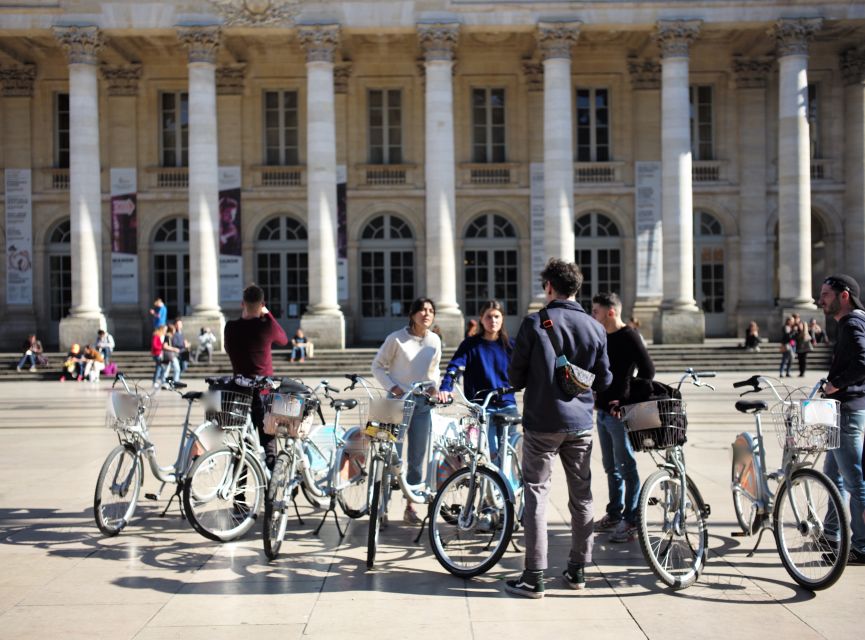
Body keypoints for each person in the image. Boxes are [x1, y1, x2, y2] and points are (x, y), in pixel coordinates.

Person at [505, 258, 612, 598]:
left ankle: (534, 575)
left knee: (537, 494)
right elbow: (605, 378)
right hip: (580, 422)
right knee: (582, 497)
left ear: (548, 287)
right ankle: (578, 570)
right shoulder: (596, 327)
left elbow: (515, 376)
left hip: (542, 422)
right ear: (576, 289)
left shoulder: (535, 323)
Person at [590, 292, 655, 544]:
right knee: (610, 467)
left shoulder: (629, 335)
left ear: (611, 312)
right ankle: (614, 513)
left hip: (619, 413)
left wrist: (627, 400)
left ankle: (631, 520)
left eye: (595, 311)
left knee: (626, 466)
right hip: (603, 412)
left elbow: (648, 371)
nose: (592, 315)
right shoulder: (601, 337)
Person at [372, 297, 442, 525]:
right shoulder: (396, 339)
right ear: (412, 314)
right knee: (388, 457)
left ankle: (410, 505)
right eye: (422, 310)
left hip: (422, 405)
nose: (427, 314)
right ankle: (381, 507)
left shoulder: (434, 340)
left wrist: (434, 388)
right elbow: (377, 366)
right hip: (394, 403)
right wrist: (393, 388)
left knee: (416, 459)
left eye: (431, 310)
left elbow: (434, 370)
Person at [817, 274, 865, 565]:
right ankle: (831, 533)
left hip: (847, 410)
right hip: (843, 410)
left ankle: (861, 544)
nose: (820, 299)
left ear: (843, 295)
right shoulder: (854, 322)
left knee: (855, 481)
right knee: (831, 475)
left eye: (825, 294)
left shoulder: (851, 323)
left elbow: (863, 360)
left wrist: (837, 384)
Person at [437, 300, 516, 464]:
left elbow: (525, 369)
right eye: (488, 317)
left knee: (507, 454)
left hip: (507, 405)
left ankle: (511, 488)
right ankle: (493, 486)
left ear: (502, 319)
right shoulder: (470, 345)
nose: (493, 321)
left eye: (496, 317)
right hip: (481, 407)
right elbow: (455, 366)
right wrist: (446, 387)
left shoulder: (511, 346)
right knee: (489, 454)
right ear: (481, 318)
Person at [224, 284, 288, 471]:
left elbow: (229, 350)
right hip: (263, 394)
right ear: (262, 304)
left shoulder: (231, 328)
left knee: (242, 447)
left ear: (242, 303)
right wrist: (267, 314)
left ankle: (239, 496)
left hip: (239, 394)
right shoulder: (266, 326)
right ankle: (271, 493)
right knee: (269, 445)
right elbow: (284, 339)